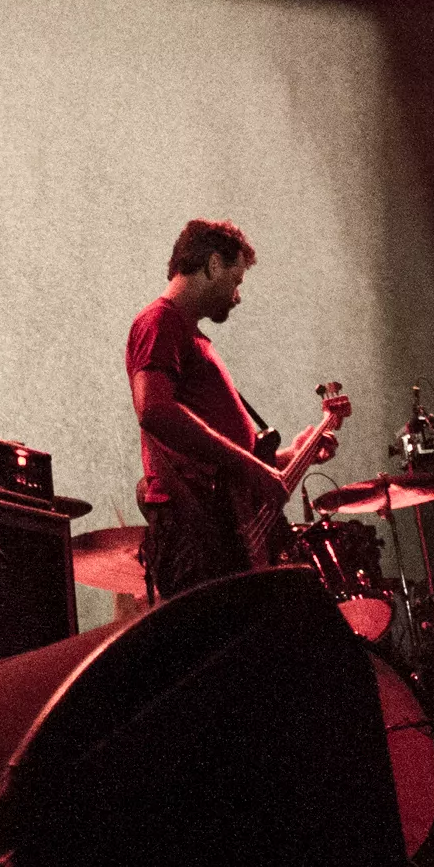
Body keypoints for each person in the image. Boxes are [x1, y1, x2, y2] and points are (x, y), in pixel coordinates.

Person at [125, 218, 348, 601]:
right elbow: (155, 411)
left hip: (218, 530)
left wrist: (293, 456)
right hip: (197, 535)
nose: (238, 295)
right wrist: (251, 466)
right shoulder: (160, 321)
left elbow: (223, 463)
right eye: (236, 279)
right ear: (213, 265)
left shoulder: (190, 336)